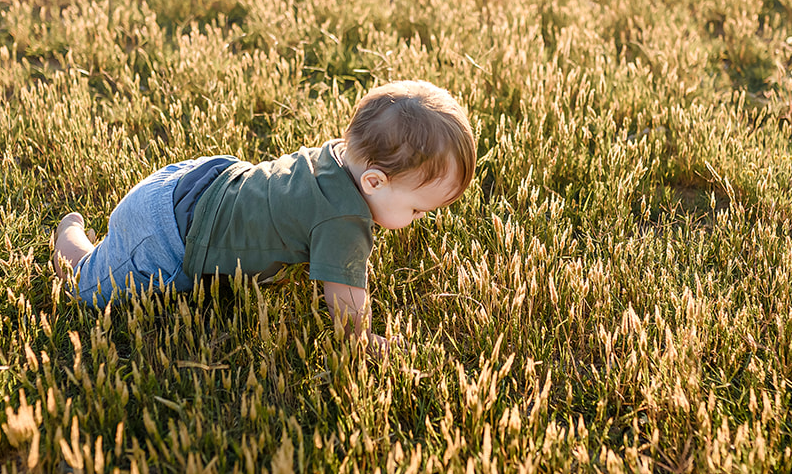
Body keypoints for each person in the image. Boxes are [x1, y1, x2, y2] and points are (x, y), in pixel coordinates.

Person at [50, 80, 474, 350]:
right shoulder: (344, 222)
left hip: (203, 179)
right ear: (375, 183)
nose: (420, 218)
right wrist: (361, 338)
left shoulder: (337, 157)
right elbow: (346, 304)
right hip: (170, 235)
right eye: (418, 209)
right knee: (87, 289)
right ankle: (70, 239)